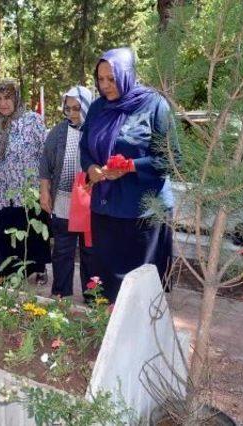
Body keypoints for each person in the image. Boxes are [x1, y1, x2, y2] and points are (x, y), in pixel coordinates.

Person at [80, 47, 179, 302]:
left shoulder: (154, 105)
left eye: (111, 79)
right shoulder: (97, 107)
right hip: (105, 210)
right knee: (106, 286)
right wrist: (92, 168)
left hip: (143, 214)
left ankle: (140, 339)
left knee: (140, 291)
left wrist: (130, 166)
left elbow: (172, 158)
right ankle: (110, 337)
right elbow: (85, 147)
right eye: (100, 80)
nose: (105, 86)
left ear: (127, 74)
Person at [0, 80, 51, 283]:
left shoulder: (33, 121)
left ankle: (39, 269)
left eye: (8, 98)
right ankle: (4, 275)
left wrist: (45, 187)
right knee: (3, 233)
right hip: (1, 190)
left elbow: (45, 155)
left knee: (32, 231)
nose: (3, 103)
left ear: (17, 99)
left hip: (27, 190)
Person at [39, 86, 95, 299]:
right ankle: (61, 292)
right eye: (68, 108)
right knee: (63, 249)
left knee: (90, 250)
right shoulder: (58, 132)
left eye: (77, 108)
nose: (72, 113)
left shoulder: (96, 130)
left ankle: (92, 296)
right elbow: (45, 163)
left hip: (90, 201)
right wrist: (45, 192)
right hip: (63, 200)